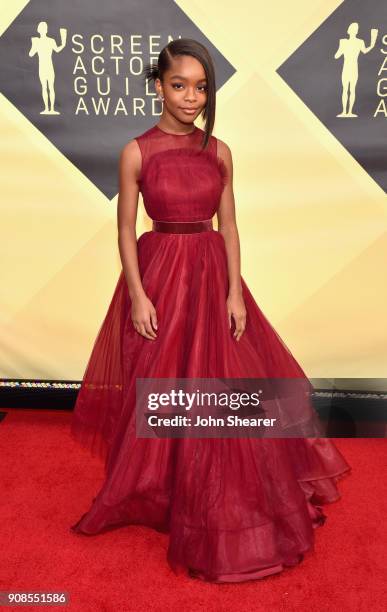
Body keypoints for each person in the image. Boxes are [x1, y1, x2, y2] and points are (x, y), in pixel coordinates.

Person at [70, 38, 351, 583]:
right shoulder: (137, 151)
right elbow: (127, 229)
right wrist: (136, 293)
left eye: (201, 87)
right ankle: (166, 489)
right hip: (159, 275)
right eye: (179, 85)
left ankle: (209, 495)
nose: (191, 97)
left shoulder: (219, 151)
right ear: (158, 86)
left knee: (220, 386)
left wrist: (235, 292)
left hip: (210, 274)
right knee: (160, 383)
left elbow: (230, 225)